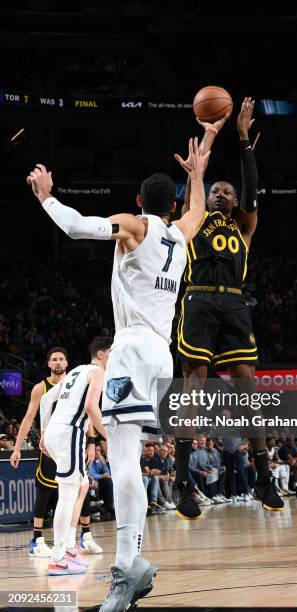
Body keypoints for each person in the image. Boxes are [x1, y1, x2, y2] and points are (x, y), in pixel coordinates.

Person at [27, 135, 209, 610]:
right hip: (162, 355)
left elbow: (77, 228)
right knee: (127, 454)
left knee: (124, 458)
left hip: (129, 349)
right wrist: (199, 167)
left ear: (138, 202)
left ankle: (130, 566)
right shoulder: (179, 234)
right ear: (171, 204)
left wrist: (47, 195)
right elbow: (198, 212)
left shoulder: (135, 226)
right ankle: (131, 565)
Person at [174, 97, 283, 519]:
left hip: (234, 304)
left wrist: (244, 140)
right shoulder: (195, 216)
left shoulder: (246, 225)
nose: (219, 194)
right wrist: (204, 154)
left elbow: (252, 189)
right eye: (214, 190)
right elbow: (196, 189)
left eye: (226, 191)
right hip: (198, 297)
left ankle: (263, 478)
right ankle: (183, 484)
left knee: (247, 392)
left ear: (236, 201)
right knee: (193, 391)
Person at [43, 336, 111, 575]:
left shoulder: (76, 372)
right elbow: (92, 407)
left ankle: (70, 548)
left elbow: (45, 399)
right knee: (67, 495)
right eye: (112, 353)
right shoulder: (98, 372)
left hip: (55, 431)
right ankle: (58, 556)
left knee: (81, 484)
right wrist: (108, 437)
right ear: (102, 354)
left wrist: (43, 434)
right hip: (69, 433)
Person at [10, 347, 67, 556]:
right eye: (54, 359)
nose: (58, 362)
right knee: (45, 491)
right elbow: (28, 418)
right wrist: (16, 448)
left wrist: (91, 442)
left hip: (70, 445)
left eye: (61, 359)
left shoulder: (75, 384)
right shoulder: (40, 388)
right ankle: (37, 540)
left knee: (74, 491)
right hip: (49, 446)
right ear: (49, 364)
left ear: (67, 363)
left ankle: (72, 539)